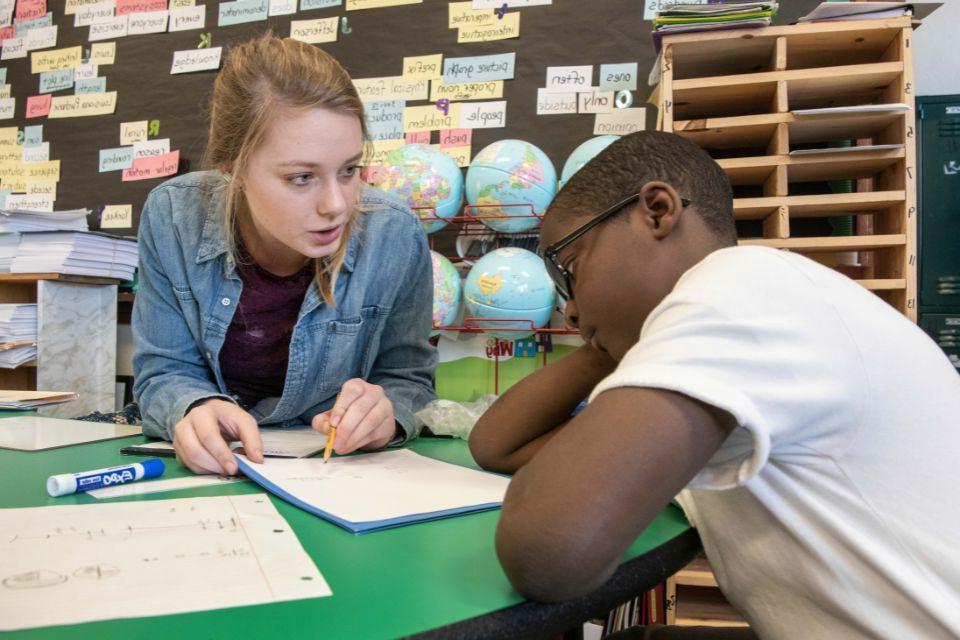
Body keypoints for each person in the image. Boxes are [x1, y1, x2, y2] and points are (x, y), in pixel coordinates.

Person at [469, 130, 960, 639]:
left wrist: (614, 335)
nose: (568, 307)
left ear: (656, 211)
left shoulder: (743, 289)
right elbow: (499, 445)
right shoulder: (735, 342)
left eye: (571, 269)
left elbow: (549, 554)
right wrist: (606, 348)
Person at [132, 34, 437, 475]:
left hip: (339, 477)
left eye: (349, 170)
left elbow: (409, 380)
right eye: (301, 177)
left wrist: (386, 416)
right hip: (208, 475)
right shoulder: (173, 216)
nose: (336, 204)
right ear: (231, 168)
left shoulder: (396, 235)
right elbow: (162, 369)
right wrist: (192, 406)